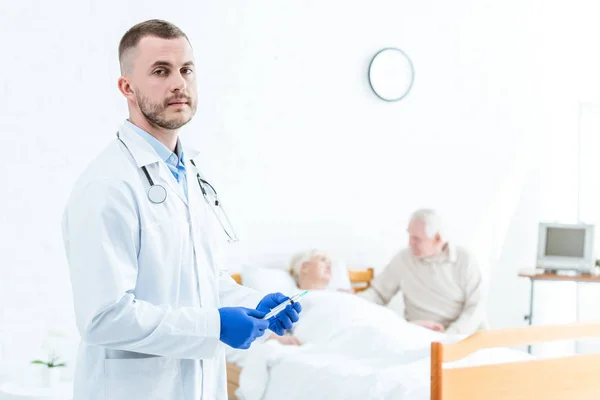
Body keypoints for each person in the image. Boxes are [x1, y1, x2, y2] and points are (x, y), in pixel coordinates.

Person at [61, 20, 301, 400]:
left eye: (186, 69)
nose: (179, 83)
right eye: (161, 71)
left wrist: (252, 304)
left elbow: (201, 280)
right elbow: (103, 317)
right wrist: (214, 327)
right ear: (127, 87)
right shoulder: (107, 185)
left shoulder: (189, 173)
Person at [358, 209, 487, 335]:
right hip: (419, 336)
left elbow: (476, 308)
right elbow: (378, 293)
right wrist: (350, 300)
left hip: (460, 336)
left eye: (417, 239)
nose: (410, 243)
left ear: (437, 239)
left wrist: (449, 337)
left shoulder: (465, 260)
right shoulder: (404, 259)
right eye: (409, 235)